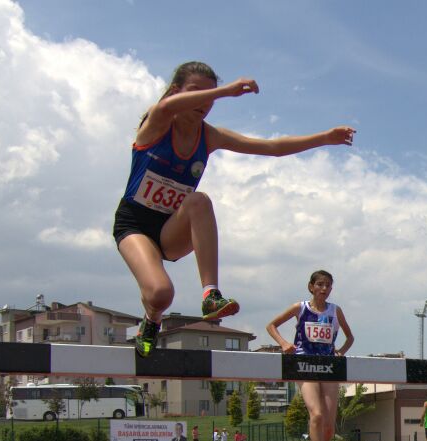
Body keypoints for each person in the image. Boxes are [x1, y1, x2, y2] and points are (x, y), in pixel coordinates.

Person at [115, 61, 356, 357]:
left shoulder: (210, 136)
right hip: (135, 225)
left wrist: (324, 138)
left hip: (171, 228)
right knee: (161, 294)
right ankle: (151, 320)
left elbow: (272, 147)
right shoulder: (157, 122)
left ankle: (210, 294)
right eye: (197, 93)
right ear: (176, 92)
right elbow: (166, 107)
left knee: (199, 201)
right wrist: (225, 90)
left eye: (210, 97)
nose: (204, 102)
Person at [266, 269, 355, 441]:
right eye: (321, 284)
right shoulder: (301, 308)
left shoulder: (336, 311)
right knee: (316, 415)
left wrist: (340, 351)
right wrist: (284, 343)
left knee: (329, 426)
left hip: (329, 367)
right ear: (311, 287)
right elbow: (271, 325)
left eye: (328, 285)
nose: (324, 289)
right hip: (304, 364)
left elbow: (350, 337)